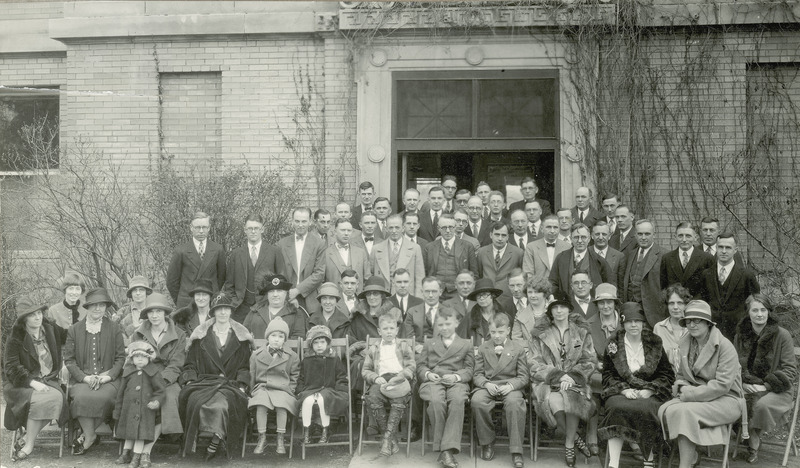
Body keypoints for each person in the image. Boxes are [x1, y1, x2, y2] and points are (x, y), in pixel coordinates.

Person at [657, 300, 744, 468]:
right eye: (688, 321)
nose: (692, 324)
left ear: (707, 323)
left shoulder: (725, 347)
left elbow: (722, 385)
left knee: (684, 412)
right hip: (697, 397)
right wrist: (681, 386)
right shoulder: (686, 342)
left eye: (697, 320)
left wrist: (691, 393)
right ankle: (693, 456)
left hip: (727, 400)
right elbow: (681, 374)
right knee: (666, 410)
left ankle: (685, 465)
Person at [598, 303, 675, 468]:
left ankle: (649, 458)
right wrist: (624, 390)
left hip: (648, 392)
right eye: (629, 321)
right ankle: (613, 462)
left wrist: (650, 389)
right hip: (622, 391)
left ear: (643, 323)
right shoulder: (613, 343)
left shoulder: (654, 342)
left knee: (647, 409)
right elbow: (608, 374)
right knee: (615, 407)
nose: (633, 325)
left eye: (637, 321)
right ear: (623, 323)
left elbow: (666, 375)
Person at [178, 293, 253, 461]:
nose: (223, 313)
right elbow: (189, 364)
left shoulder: (240, 338)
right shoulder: (201, 337)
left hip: (230, 384)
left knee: (222, 406)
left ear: (231, 312)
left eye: (226, 309)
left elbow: (244, 366)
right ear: (213, 312)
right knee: (195, 402)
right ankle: (196, 441)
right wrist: (190, 379)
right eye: (219, 309)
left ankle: (214, 441)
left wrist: (242, 384)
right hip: (204, 382)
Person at [529, 296, 598, 467]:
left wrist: (572, 376)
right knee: (554, 402)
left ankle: (568, 444)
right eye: (555, 307)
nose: (559, 311)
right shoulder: (540, 333)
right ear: (550, 311)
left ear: (569, 309)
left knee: (572, 399)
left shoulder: (581, 332)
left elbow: (589, 360)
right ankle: (574, 438)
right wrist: (558, 376)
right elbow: (534, 362)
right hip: (548, 381)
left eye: (563, 307)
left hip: (574, 381)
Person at [733, 294, 798, 463]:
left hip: (778, 389)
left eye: (763, 310)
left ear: (769, 312)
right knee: (733, 402)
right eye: (755, 310)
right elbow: (733, 365)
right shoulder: (741, 335)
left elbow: (790, 371)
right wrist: (743, 384)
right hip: (747, 387)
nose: (759, 314)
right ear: (748, 313)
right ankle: (750, 437)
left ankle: (753, 439)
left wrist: (766, 387)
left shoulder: (782, 335)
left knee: (760, 405)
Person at [3, 296, 68, 462]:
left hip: (49, 379)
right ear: (24, 319)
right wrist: (33, 383)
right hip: (23, 384)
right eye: (32, 315)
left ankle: (27, 441)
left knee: (56, 398)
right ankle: (29, 443)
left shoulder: (50, 328)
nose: (38, 317)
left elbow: (71, 335)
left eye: (39, 313)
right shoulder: (16, 337)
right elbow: (10, 367)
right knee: (51, 400)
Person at [64, 288, 126, 455]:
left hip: (109, 379)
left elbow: (121, 358)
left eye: (101, 305)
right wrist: (84, 378)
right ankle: (90, 435)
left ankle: (86, 436)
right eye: (94, 305)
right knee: (81, 398)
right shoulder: (74, 329)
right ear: (87, 307)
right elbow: (69, 360)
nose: (98, 309)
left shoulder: (114, 328)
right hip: (83, 379)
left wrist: (108, 376)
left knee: (105, 397)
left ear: (106, 307)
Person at [129, 292, 187, 459]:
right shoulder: (138, 333)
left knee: (167, 399)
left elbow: (176, 364)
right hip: (142, 377)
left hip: (168, 380)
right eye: (150, 312)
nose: (154, 316)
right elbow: (132, 361)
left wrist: (159, 381)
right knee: (136, 398)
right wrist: (145, 379)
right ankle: (133, 448)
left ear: (165, 313)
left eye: (159, 311)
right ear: (146, 314)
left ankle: (146, 450)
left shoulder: (179, 334)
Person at [418, 309, 474, 468]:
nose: (444, 327)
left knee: (457, 401)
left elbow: (470, 370)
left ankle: (445, 451)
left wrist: (456, 377)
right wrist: (428, 374)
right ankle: (447, 451)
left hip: (456, 381)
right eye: (440, 324)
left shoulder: (465, 344)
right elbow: (420, 366)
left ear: (456, 323)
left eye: (448, 323)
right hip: (433, 381)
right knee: (436, 402)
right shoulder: (430, 343)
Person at [471, 313, 529, 468]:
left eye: (500, 332)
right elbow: (476, 374)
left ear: (508, 330)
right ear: (489, 330)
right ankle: (487, 442)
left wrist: (510, 386)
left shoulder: (517, 349)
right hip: (489, 385)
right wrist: (485, 384)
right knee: (477, 401)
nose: (496, 336)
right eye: (493, 332)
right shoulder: (484, 348)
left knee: (515, 403)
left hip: (510, 386)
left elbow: (524, 376)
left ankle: (516, 450)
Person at [362, 313, 416, 457]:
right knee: (373, 397)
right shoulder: (374, 348)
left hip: (399, 379)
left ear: (397, 330)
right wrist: (375, 377)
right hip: (381, 380)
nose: (389, 331)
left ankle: (386, 439)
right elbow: (365, 370)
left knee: (398, 400)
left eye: (392, 328)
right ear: (379, 331)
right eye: (385, 329)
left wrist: (400, 376)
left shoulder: (403, 346)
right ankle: (390, 439)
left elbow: (411, 367)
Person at [248, 318, 300, 455]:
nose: (277, 339)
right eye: (273, 335)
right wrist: (253, 391)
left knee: (282, 405)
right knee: (261, 403)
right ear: (267, 337)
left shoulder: (292, 356)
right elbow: (252, 376)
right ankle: (262, 437)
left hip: (283, 388)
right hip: (263, 387)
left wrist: (291, 390)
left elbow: (294, 377)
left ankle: (280, 438)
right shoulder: (256, 355)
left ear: (285, 339)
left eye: (281, 336)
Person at [223, 213, 285, 323]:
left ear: (262, 229)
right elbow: (229, 285)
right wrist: (234, 302)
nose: (253, 231)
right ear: (245, 230)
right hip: (240, 309)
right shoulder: (236, 254)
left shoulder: (274, 252)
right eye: (250, 228)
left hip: (266, 307)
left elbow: (282, 281)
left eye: (256, 228)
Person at [113, 341, 166, 468]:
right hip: (129, 409)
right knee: (130, 431)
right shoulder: (128, 372)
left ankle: (136, 457)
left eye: (143, 357)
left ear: (149, 358)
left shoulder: (153, 372)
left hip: (145, 410)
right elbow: (120, 393)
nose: (140, 359)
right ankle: (126, 454)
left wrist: (156, 401)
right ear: (131, 359)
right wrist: (118, 410)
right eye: (137, 357)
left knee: (140, 433)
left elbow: (161, 390)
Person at [700, 232, 760, 339]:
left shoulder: (747, 275)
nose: (723, 251)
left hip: (738, 333)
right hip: (712, 332)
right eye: (720, 247)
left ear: (735, 250)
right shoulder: (706, 275)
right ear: (716, 249)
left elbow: (755, 303)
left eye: (728, 247)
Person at [296, 325, 349, 444]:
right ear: (311, 345)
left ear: (327, 343)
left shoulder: (334, 359)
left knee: (322, 400)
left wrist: (341, 390)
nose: (319, 346)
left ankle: (325, 430)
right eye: (316, 343)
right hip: (310, 390)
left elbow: (341, 377)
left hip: (328, 390)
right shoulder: (307, 360)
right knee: (307, 401)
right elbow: (301, 378)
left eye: (322, 342)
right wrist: (300, 390)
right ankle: (307, 432)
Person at [166, 212, 227, 309]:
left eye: (204, 227)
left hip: (210, 302)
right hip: (187, 303)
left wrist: (213, 294)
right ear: (191, 227)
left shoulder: (217, 249)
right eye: (198, 227)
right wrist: (181, 299)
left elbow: (221, 278)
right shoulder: (181, 251)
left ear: (209, 227)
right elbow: (171, 281)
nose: (201, 231)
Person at [277, 207, 327, 314]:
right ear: (292, 222)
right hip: (287, 297)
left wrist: (298, 290)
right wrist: (289, 294)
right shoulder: (282, 244)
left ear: (310, 222)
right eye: (297, 221)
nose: (300, 225)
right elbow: (279, 272)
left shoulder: (319, 244)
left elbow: (319, 273)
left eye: (304, 221)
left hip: (311, 298)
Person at [618, 219, 664, 327]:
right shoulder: (630, 254)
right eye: (640, 234)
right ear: (635, 235)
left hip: (653, 314)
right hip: (631, 311)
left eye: (647, 234)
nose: (643, 237)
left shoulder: (664, 255)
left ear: (654, 235)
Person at [423, 214, 478, 300]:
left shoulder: (467, 246)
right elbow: (425, 273)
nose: (448, 231)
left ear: (455, 227)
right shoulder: (429, 248)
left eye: (451, 227)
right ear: (439, 228)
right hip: (435, 293)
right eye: (444, 228)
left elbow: (474, 274)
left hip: (458, 293)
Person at [549, 223, 610, 298]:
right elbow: (553, 282)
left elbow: (608, 285)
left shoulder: (599, 261)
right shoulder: (561, 258)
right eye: (576, 237)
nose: (580, 241)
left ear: (589, 239)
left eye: (583, 237)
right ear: (571, 239)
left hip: (591, 305)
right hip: (566, 304)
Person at [371, 214, 425, 296]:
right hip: (383, 297)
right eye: (391, 228)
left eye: (397, 227)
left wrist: (418, 301)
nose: (394, 231)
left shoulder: (415, 248)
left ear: (403, 228)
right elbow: (371, 275)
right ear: (386, 228)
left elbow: (419, 278)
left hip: (406, 296)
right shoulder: (376, 249)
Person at [659, 222, 714, 298]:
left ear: (695, 237)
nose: (684, 240)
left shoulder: (707, 258)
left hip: (697, 306)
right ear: (675, 237)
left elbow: (710, 289)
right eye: (680, 236)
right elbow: (663, 286)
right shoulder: (667, 258)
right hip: (675, 305)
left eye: (688, 236)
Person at [245, 274, 307, 341]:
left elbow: (298, 340)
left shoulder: (296, 313)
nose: (275, 295)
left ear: (286, 293)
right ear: (267, 294)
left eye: (279, 291)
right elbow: (244, 334)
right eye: (271, 291)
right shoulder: (255, 311)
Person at [653, 284, 690, 374]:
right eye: (671, 303)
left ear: (685, 305)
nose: (675, 307)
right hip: (665, 378)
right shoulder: (659, 328)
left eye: (680, 303)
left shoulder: (692, 328)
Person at [325, 218, 371, 290]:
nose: (346, 233)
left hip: (357, 298)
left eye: (349, 230)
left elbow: (367, 279)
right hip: (335, 299)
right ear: (335, 232)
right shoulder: (326, 254)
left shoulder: (361, 253)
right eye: (343, 230)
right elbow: (321, 281)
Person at [523, 214, 570, 282]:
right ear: (541, 229)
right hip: (539, 289)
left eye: (555, 227)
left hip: (560, 290)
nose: (552, 231)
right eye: (548, 227)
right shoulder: (531, 247)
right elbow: (528, 273)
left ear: (559, 229)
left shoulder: (567, 247)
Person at [511, 277, 551, 347]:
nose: (533, 295)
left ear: (545, 293)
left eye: (537, 292)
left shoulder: (555, 311)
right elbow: (516, 341)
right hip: (528, 355)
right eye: (530, 292)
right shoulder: (520, 315)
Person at [113, 275, 153, 343]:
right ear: (131, 293)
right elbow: (117, 337)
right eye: (135, 290)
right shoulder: (123, 313)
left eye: (141, 290)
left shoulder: (154, 310)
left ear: (146, 292)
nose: (138, 293)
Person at [46, 270, 87, 335]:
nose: (74, 292)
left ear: (81, 291)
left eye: (77, 289)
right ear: (65, 289)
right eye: (71, 288)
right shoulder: (53, 310)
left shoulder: (87, 310)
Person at [442, 270, 477, 339]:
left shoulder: (479, 304)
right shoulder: (447, 304)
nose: (465, 287)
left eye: (469, 283)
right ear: (455, 285)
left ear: (474, 285)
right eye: (461, 283)